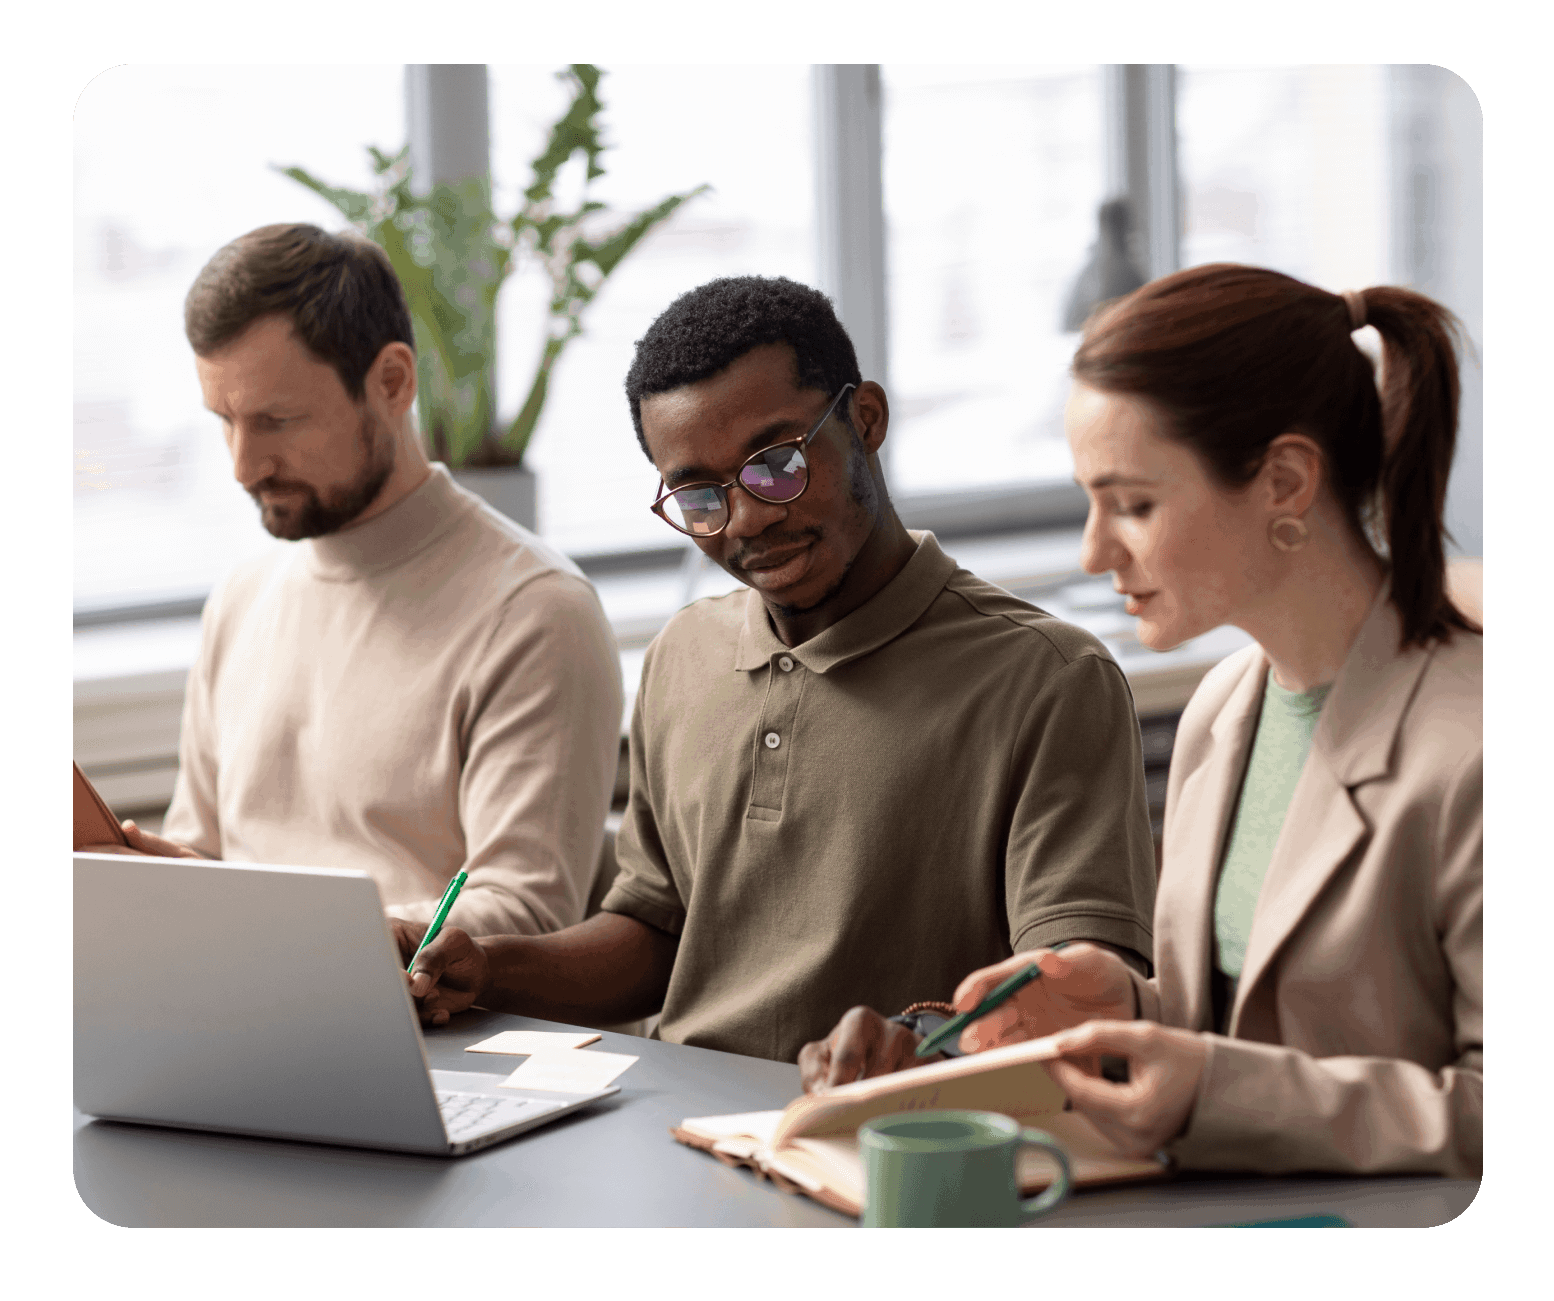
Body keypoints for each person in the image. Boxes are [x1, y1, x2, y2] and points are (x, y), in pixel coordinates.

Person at [800, 264, 1482, 1179]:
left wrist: (1207, 1088)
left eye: (1134, 505)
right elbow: (1253, 1030)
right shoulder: (1223, 713)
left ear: (1285, 479)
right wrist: (1123, 1003)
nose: (1092, 550)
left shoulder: (1479, 750)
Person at [398, 276, 1158, 1062]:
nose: (751, 517)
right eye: (699, 494)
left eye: (777, 462)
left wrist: (919, 1040)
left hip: (885, 1136)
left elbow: (1079, 995)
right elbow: (656, 934)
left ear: (865, 421)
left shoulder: (1051, 679)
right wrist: (484, 964)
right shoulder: (682, 656)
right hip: (673, 1125)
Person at [103, 224, 624, 939]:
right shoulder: (241, 599)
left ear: (392, 382)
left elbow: (525, 913)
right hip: (245, 1012)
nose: (242, 465)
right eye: (224, 420)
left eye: (276, 420)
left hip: (440, 1036)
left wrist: (282, 941)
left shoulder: (536, 613)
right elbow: (209, 855)